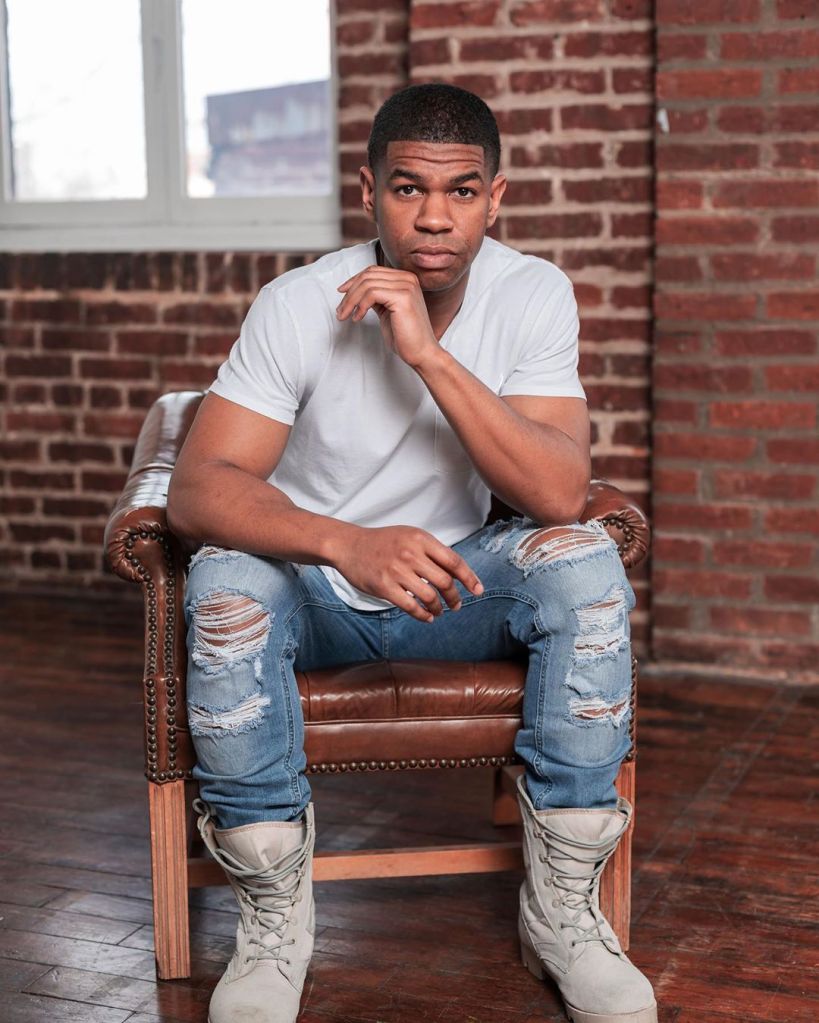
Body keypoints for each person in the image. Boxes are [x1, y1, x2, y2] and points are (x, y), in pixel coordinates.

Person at [167, 83, 657, 1023]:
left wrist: (428, 353)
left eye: (461, 191)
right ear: (369, 192)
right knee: (225, 584)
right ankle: (272, 925)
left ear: (494, 197)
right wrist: (345, 542)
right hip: (314, 588)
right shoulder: (296, 304)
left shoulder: (532, 292)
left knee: (583, 561)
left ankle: (561, 913)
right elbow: (198, 488)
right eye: (407, 189)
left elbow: (557, 491)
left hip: (456, 586)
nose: (434, 217)